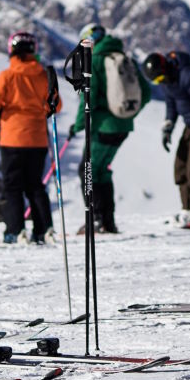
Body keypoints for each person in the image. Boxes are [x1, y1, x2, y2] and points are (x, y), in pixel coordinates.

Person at [67, 23, 152, 234]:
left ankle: (95, 220)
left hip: (102, 128)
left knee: (87, 170)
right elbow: (147, 92)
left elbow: (89, 97)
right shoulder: (123, 57)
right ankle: (108, 221)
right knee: (102, 171)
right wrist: (125, 115)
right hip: (123, 127)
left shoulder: (95, 61)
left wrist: (77, 126)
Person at [0, 32, 61, 244]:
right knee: (35, 185)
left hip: (12, 138)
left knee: (13, 186)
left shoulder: (7, 76)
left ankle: (15, 230)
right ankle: (44, 228)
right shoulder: (42, 75)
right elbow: (56, 104)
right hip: (37, 139)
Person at [142, 49, 190, 229]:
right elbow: (172, 103)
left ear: (165, 67)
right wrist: (168, 125)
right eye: (157, 81)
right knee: (181, 166)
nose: (161, 82)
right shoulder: (168, 79)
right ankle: (186, 209)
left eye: (161, 78)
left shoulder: (188, 75)